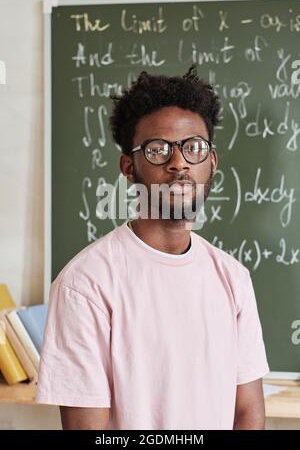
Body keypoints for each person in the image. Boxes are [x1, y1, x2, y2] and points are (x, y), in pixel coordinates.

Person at [36, 66, 269, 430]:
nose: (179, 163)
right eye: (158, 150)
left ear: (211, 162)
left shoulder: (232, 278)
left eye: (194, 147)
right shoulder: (86, 285)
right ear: (129, 167)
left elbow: (247, 412)